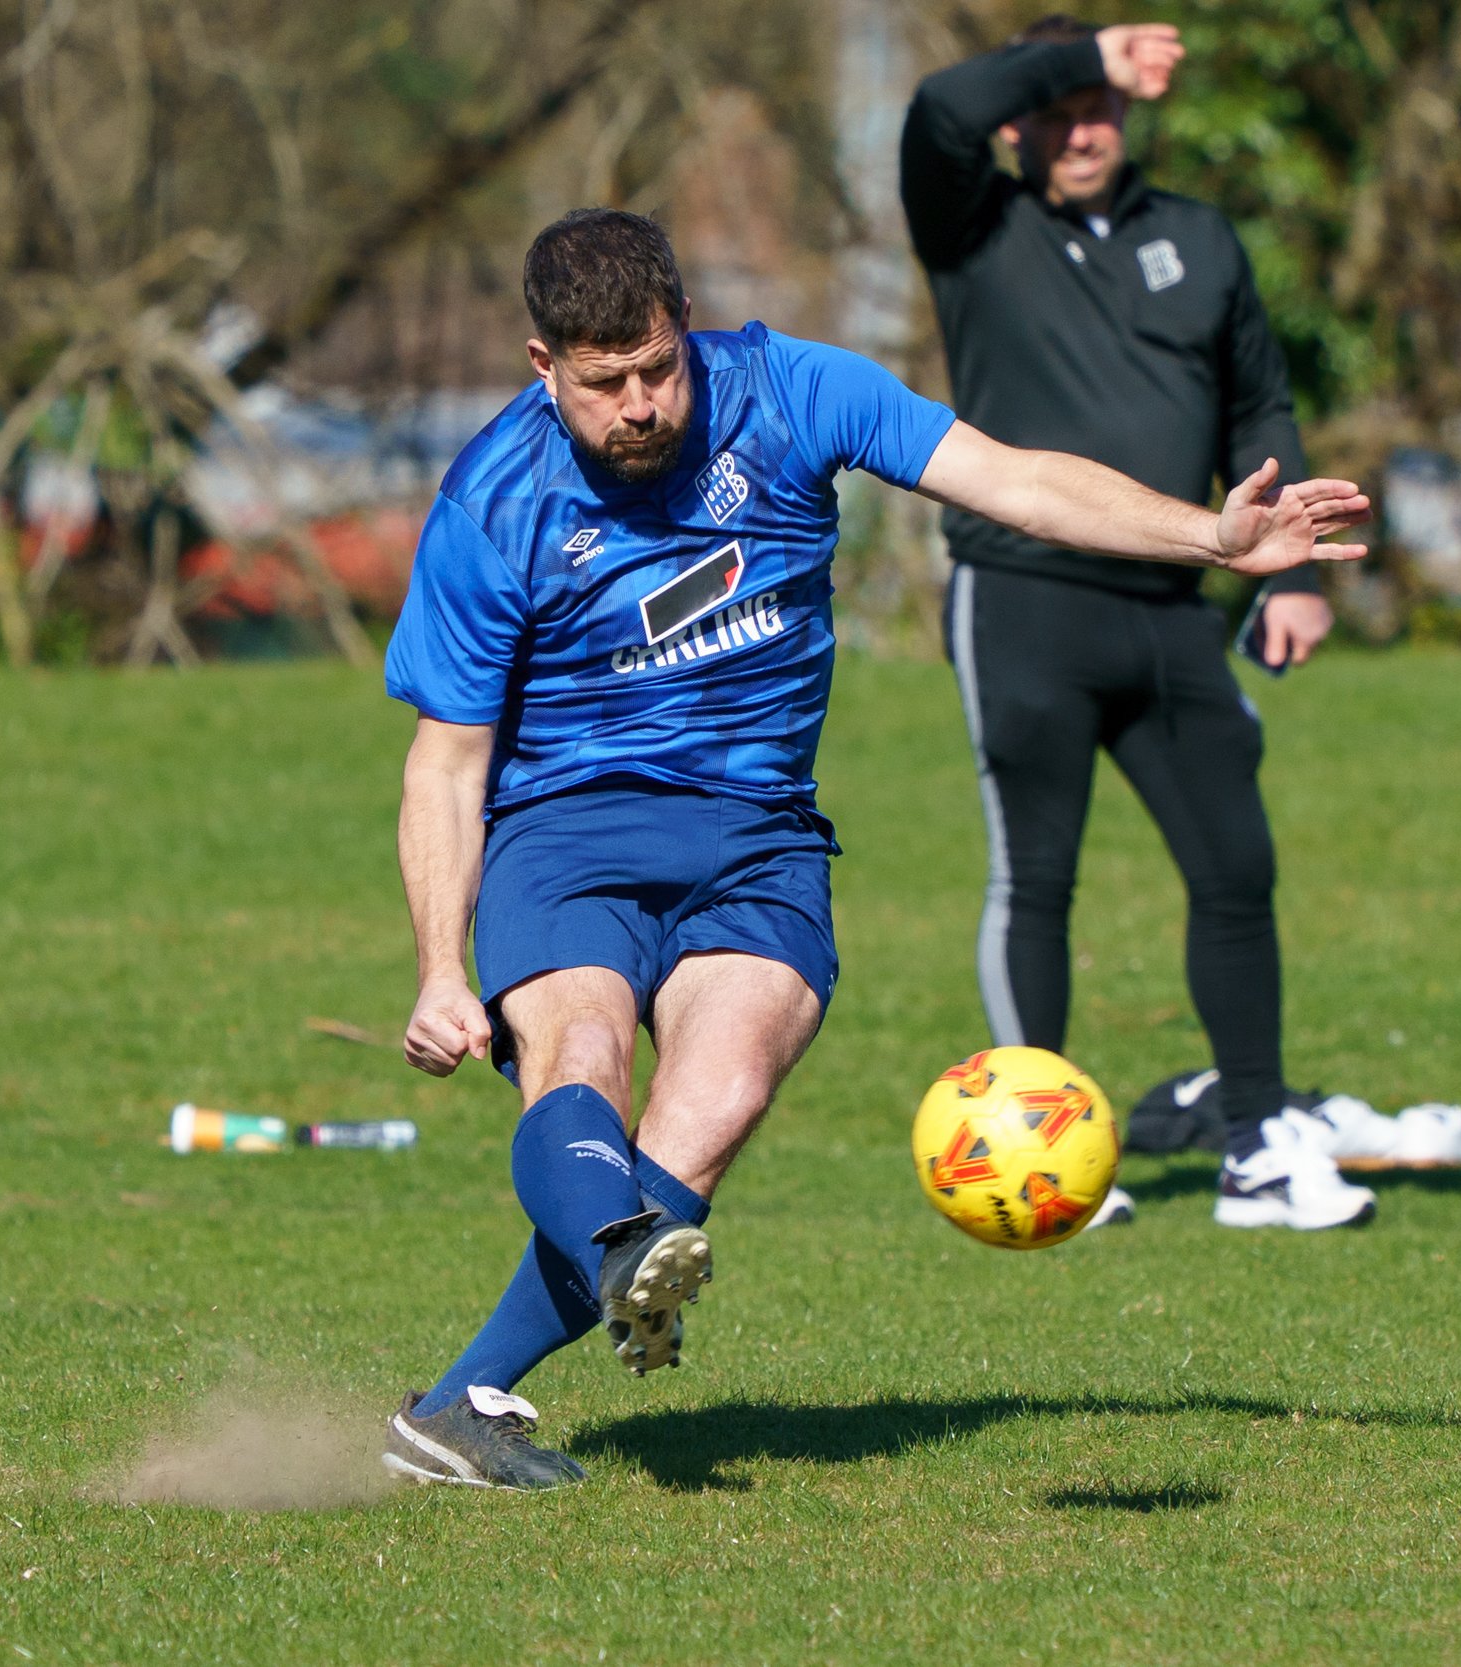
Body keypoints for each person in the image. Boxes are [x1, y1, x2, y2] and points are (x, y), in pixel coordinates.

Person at [376, 207, 1368, 1489]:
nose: (639, 406)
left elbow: (1011, 476)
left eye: (659, 370)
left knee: (716, 1102)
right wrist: (439, 970)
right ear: (540, 366)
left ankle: (464, 1396)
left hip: (761, 834)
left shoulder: (796, 391)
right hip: (570, 830)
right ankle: (612, 1268)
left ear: (689, 330)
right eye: (603, 384)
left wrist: (1211, 537)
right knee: (582, 1057)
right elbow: (446, 763)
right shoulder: (492, 504)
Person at [903, 17, 1417, 1232]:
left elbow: (1259, 403)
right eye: (1060, 108)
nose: (1085, 130)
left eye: (1104, 109)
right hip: (1020, 601)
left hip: (1174, 609)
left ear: (1132, 120)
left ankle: (1255, 1146)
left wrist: (1287, 576)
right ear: (1023, 122)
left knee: (1235, 862)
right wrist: (1086, 47)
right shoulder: (975, 225)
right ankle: (1040, 1155)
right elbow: (936, 109)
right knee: (1038, 876)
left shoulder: (1196, 235)